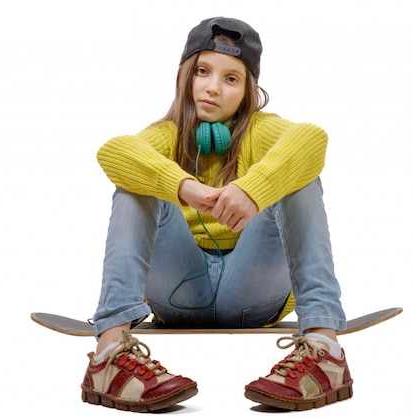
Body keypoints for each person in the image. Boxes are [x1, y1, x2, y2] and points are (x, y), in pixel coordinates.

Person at [80, 17, 353, 412]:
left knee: (300, 173)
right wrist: (182, 186)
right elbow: (113, 151)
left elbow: (312, 138)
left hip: (253, 293)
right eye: (203, 72)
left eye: (231, 79)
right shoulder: (168, 136)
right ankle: (108, 355)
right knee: (135, 179)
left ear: (247, 92)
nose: (212, 87)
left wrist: (252, 190)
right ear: (185, 77)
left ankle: (326, 351)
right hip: (178, 293)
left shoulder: (260, 132)